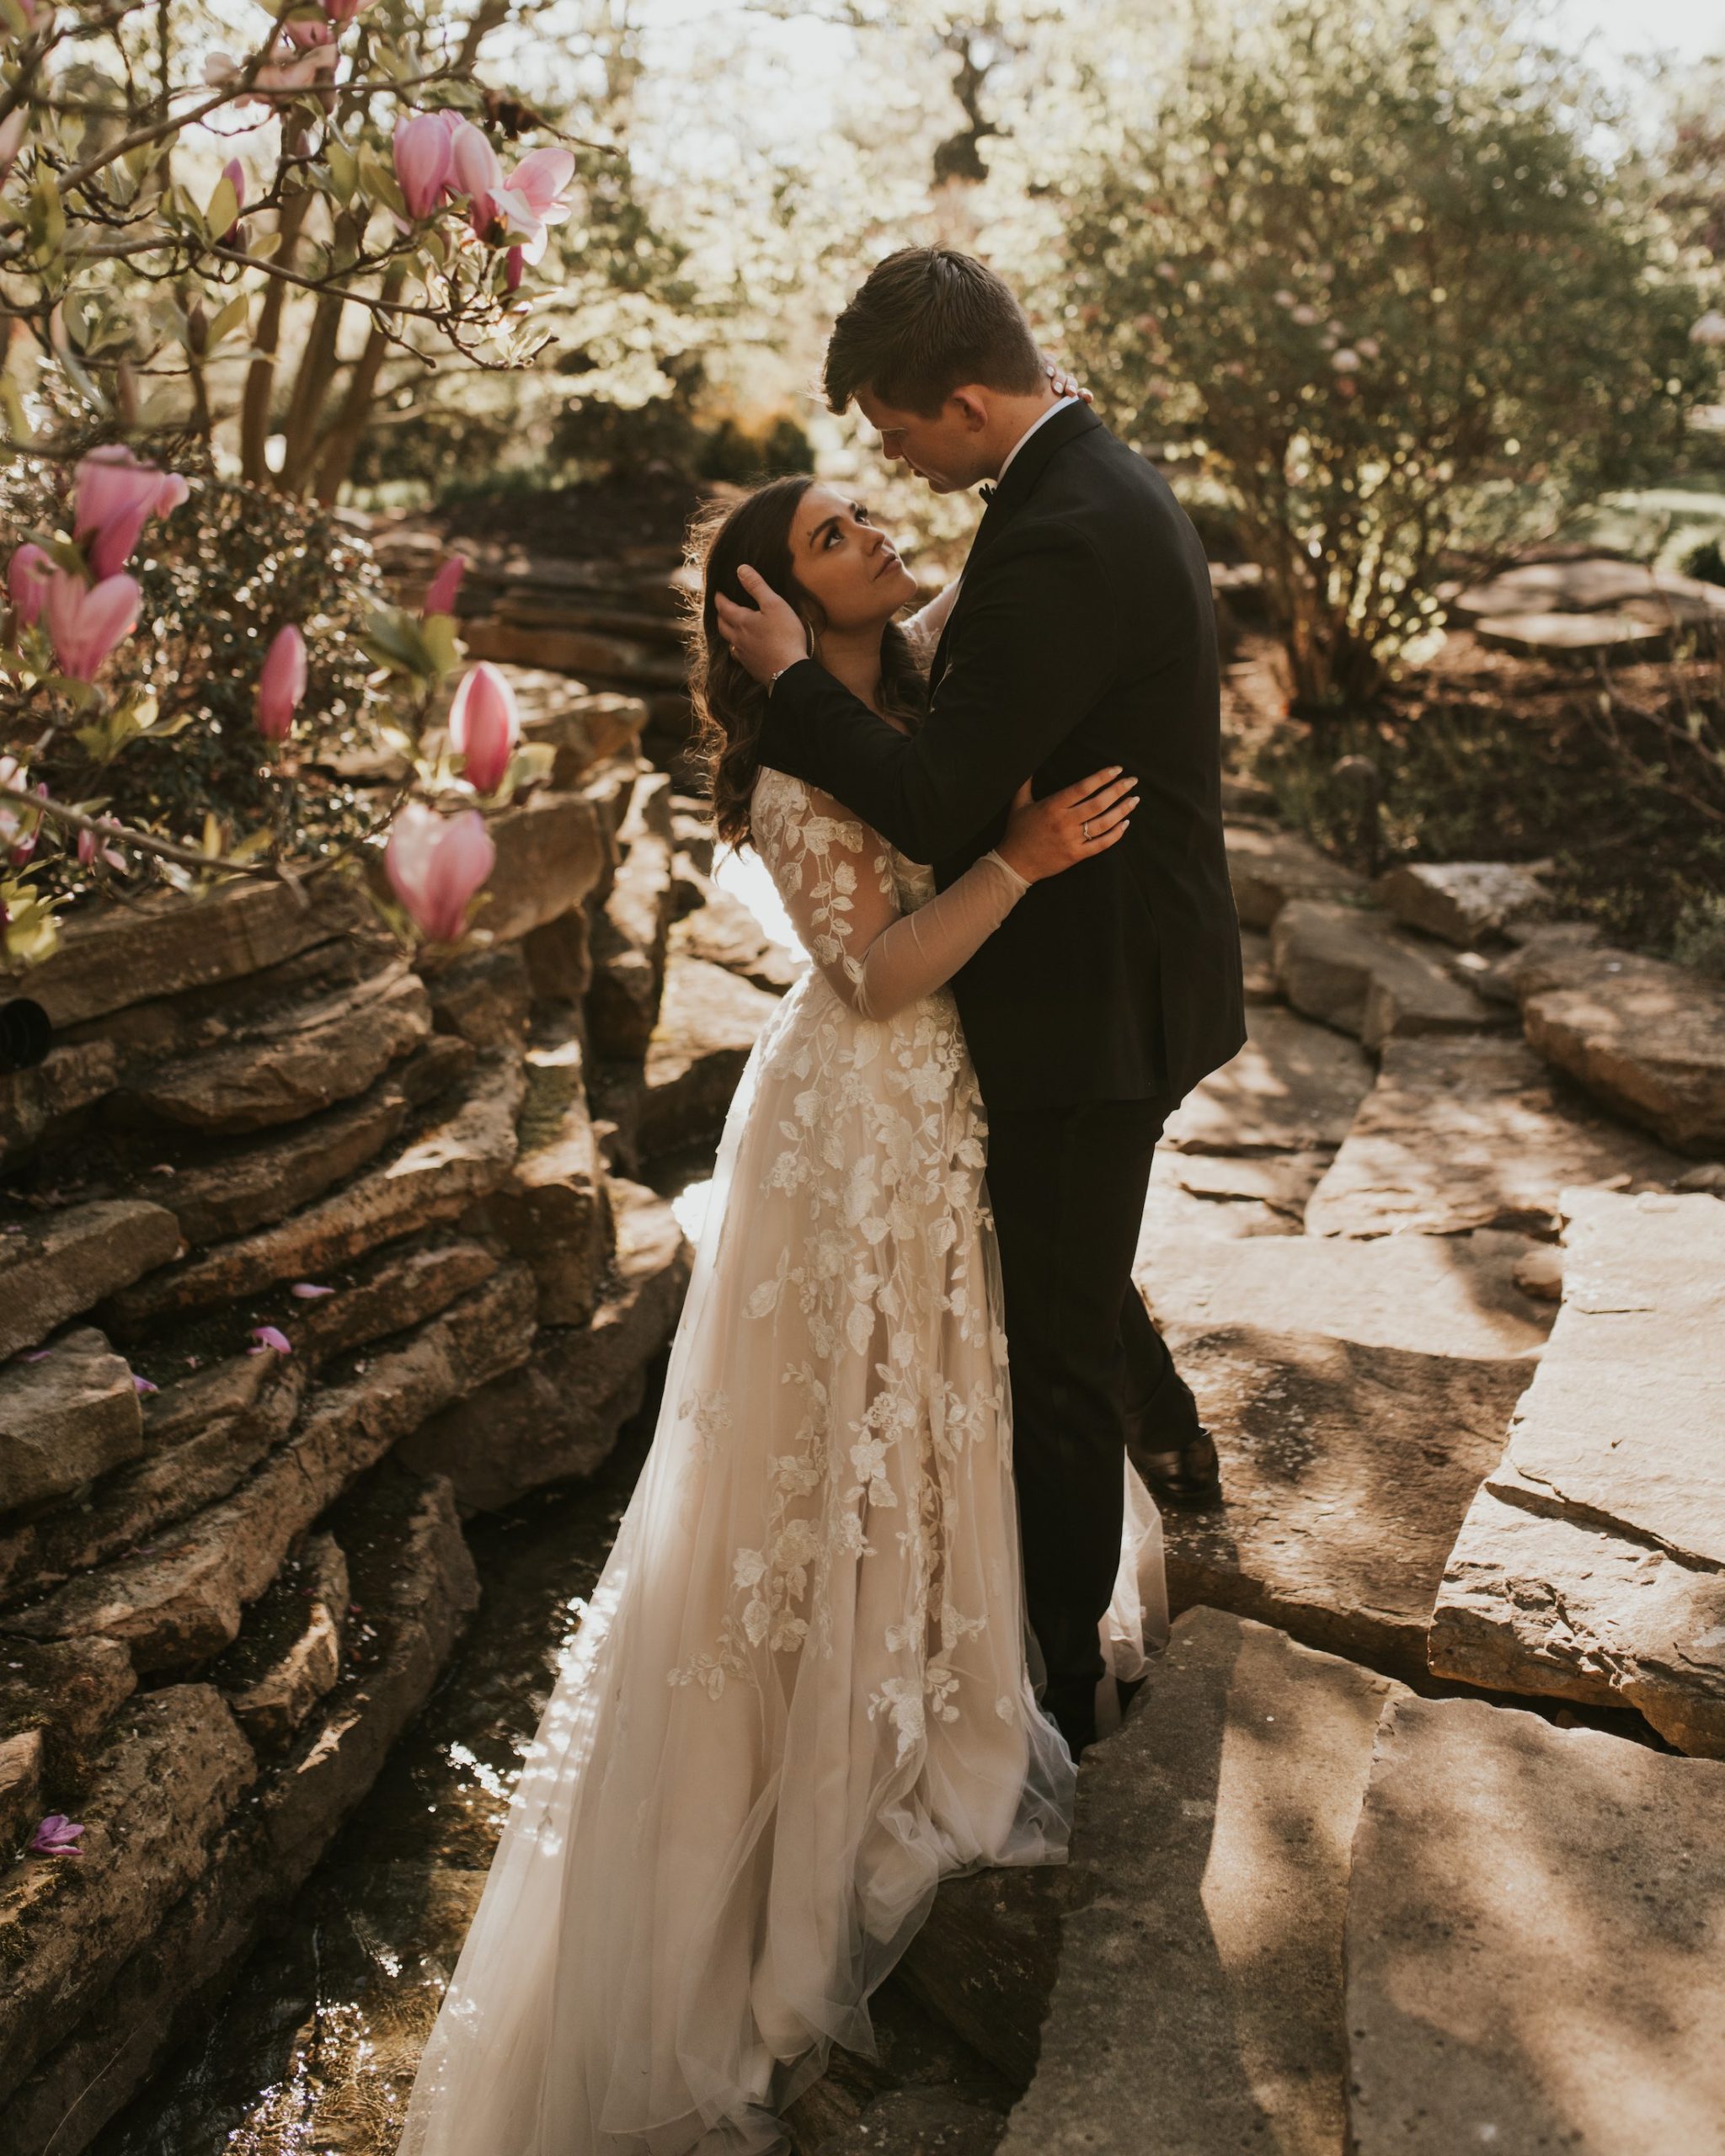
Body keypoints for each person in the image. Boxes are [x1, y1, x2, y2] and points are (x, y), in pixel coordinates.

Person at [393, 471, 1168, 2156]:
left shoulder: (909, 680)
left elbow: (1012, 569)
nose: (878, 530)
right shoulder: (802, 755)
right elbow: (875, 971)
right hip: (858, 1120)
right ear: (774, 609)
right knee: (824, 1450)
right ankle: (795, 1792)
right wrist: (1028, 859)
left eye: (869, 508)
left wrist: (850, 603)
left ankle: (934, 1663)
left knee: (935, 1404)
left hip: (936, 1114)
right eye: (834, 535)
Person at [718, 246, 1246, 1758]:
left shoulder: (1063, 531)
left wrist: (797, 688)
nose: (889, 471)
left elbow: (944, 795)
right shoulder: (1074, 489)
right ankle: (1159, 1472)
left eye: (895, 435)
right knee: (1053, 1279)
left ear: (964, 399)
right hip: (1050, 997)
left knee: (1058, 1345)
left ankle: (1063, 1689)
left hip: (1097, 1007)